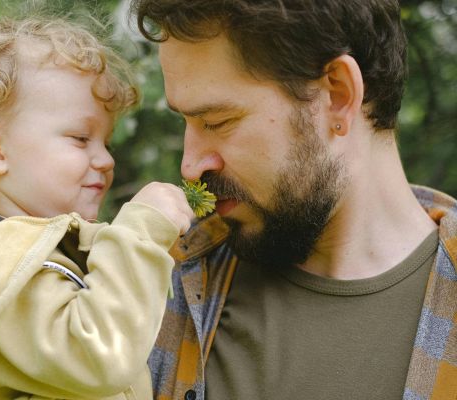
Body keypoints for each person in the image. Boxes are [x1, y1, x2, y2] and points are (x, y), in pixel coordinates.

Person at [129, 1, 457, 399]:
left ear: (337, 95)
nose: (190, 165)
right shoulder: (153, 283)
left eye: (216, 121)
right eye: (186, 121)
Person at [0, 15, 194, 400]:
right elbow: (95, 359)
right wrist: (140, 233)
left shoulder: (41, 258)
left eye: (105, 142)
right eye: (80, 138)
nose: (106, 160)